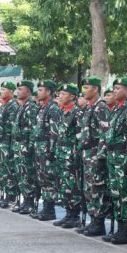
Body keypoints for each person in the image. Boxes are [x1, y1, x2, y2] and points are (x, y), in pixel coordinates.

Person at [102, 78, 127, 245]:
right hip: (113, 157)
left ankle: (126, 230)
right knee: (116, 194)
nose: (114, 91)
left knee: (126, 195)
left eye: (118, 88)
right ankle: (120, 227)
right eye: (114, 88)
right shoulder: (117, 109)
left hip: (124, 159)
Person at [76, 76, 111, 235]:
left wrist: (100, 156)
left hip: (95, 154)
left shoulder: (100, 107)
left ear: (95, 89)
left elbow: (105, 134)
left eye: (87, 88)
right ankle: (93, 220)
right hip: (88, 154)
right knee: (89, 189)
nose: (84, 91)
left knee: (97, 189)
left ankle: (99, 222)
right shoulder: (90, 107)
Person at [52, 83, 84, 228]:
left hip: (71, 155)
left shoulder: (77, 113)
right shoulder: (63, 112)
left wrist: (75, 156)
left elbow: (80, 138)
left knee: (72, 185)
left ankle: (75, 215)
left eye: (64, 94)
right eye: (60, 94)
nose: (60, 96)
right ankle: (68, 214)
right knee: (65, 185)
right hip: (61, 154)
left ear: (72, 97)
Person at [32, 80, 62, 220]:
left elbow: (54, 133)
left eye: (41, 90)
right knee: (42, 179)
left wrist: (51, 152)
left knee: (49, 180)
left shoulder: (53, 108)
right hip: (40, 149)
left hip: (47, 150)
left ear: (49, 92)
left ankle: (49, 210)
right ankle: (45, 208)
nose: (38, 92)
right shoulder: (42, 107)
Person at [11, 80, 39, 214]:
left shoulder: (31, 107)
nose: (18, 92)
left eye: (21, 89)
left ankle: (30, 202)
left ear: (28, 91)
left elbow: (33, 130)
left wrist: (29, 147)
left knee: (28, 175)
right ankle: (25, 200)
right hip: (19, 146)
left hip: (26, 147)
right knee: (21, 175)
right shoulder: (22, 106)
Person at [0, 82, 19, 207]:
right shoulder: (3, 106)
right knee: (3, 170)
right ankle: (5, 194)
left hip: (7, 143)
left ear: (11, 91)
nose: (1, 91)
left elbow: (11, 128)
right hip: (1, 143)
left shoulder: (12, 106)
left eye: (4, 89)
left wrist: (9, 146)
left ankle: (11, 197)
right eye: (1, 89)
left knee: (9, 171)